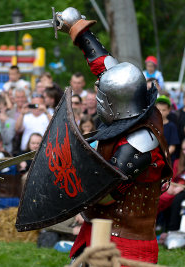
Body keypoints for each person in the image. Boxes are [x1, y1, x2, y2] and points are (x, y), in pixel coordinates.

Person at [54, 7, 172, 264]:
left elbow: (102, 194)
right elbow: (108, 69)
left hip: (124, 245)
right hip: (95, 234)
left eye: (102, 97)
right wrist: (76, 27)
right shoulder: (133, 98)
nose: (98, 99)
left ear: (115, 104)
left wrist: (66, 166)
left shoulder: (141, 142)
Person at [155, 95, 179, 160]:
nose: (161, 112)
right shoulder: (152, 125)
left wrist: (163, 156)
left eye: (164, 110)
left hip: (167, 160)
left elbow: (172, 146)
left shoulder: (172, 126)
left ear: (168, 110)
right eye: (158, 109)